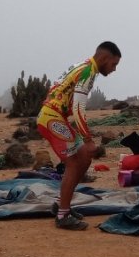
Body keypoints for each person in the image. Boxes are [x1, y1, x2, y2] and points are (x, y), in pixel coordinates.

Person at [37, 42, 121, 230]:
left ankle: (61, 204)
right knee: (74, 162)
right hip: (51, 118)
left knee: (84, 158)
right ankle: (63, 215)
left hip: (55, 117)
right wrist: (89, 140)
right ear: (105, 58)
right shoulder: (87, 72)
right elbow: (78, 108)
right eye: (114, 64)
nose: (114, 69)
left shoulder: (84, 67)